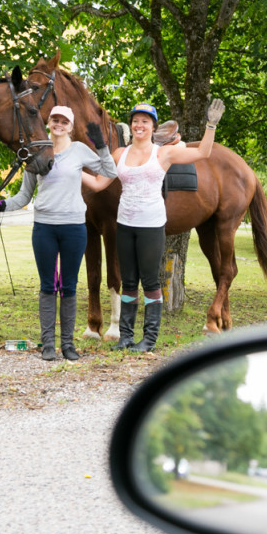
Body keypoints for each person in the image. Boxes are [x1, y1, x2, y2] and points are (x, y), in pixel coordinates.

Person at [84, 98, 226, 352]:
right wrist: (68, 167)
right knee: (128, 282)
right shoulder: (119, 154)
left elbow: (203, 153)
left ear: (153, 126)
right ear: (131, 125)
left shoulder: (164, 152)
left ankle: (149, 338)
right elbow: (97, 184)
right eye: (136, 121)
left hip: (151, 226)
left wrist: (211, 125)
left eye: (145, 121)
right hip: (125, 224)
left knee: (150, 282)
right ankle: (126, 336)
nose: (140, 125)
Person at [0, 105, 117, 361]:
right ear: (49, 123)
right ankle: (48, 344)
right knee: (48, 286)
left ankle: (67, 345)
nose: (58, 124)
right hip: (44, 228)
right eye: (54, 119)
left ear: (70, 125)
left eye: (64, 121)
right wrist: (2, 205)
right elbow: (24, 196)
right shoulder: (36, 152)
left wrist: (101, 146)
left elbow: (110, 172)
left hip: (74, 228)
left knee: (69, 286)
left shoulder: (79, 151)